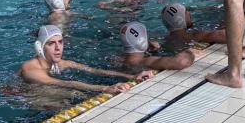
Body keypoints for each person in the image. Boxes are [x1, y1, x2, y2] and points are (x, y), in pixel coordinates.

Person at [18, 25, 153, 92]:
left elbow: (94, 70)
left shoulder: (62, 63)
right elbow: (65, 83)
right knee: (59, 96)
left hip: (42, 89)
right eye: (51, 43)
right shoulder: (31, 69)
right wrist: (105, 88)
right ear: (39, 47)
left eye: (60, 42)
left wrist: (132, 76)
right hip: (21, 95)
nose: (58, 48)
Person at [121, 21, 204, 71]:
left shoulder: (120, 59)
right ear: (142, 41)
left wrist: (148, 49)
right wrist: (189, 52)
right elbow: (181, 62)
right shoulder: (146, 61)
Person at [161, 2, 226, 45]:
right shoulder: (193, 36)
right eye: (186, 12)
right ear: (180, 20)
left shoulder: (165, 40)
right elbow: (224, 35)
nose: (189, 14)